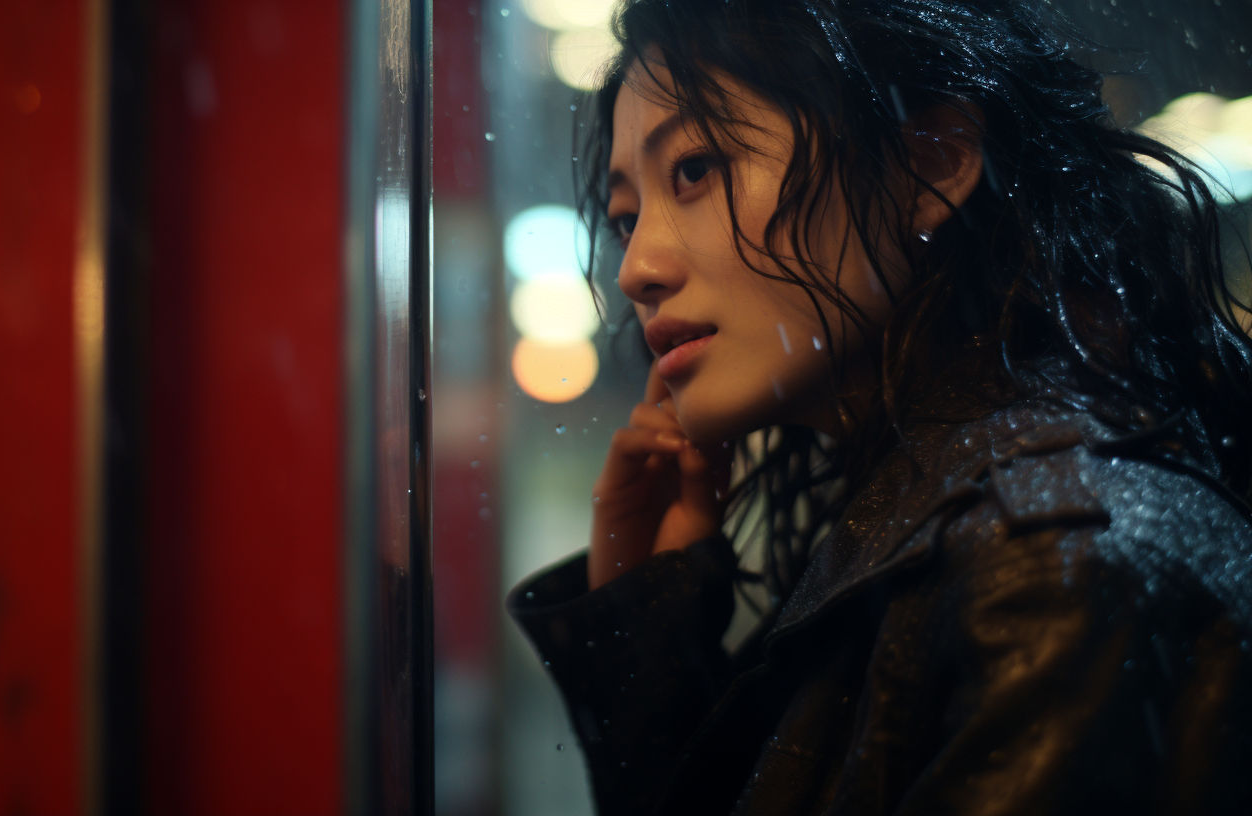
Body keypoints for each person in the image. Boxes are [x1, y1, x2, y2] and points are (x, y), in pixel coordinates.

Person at [506, 1, 1252, 813]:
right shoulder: (958, 517)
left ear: (931, 165)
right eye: (625, 218)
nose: (636, 268)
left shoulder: (1044, 562)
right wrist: (646, 614)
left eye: (695, 168)